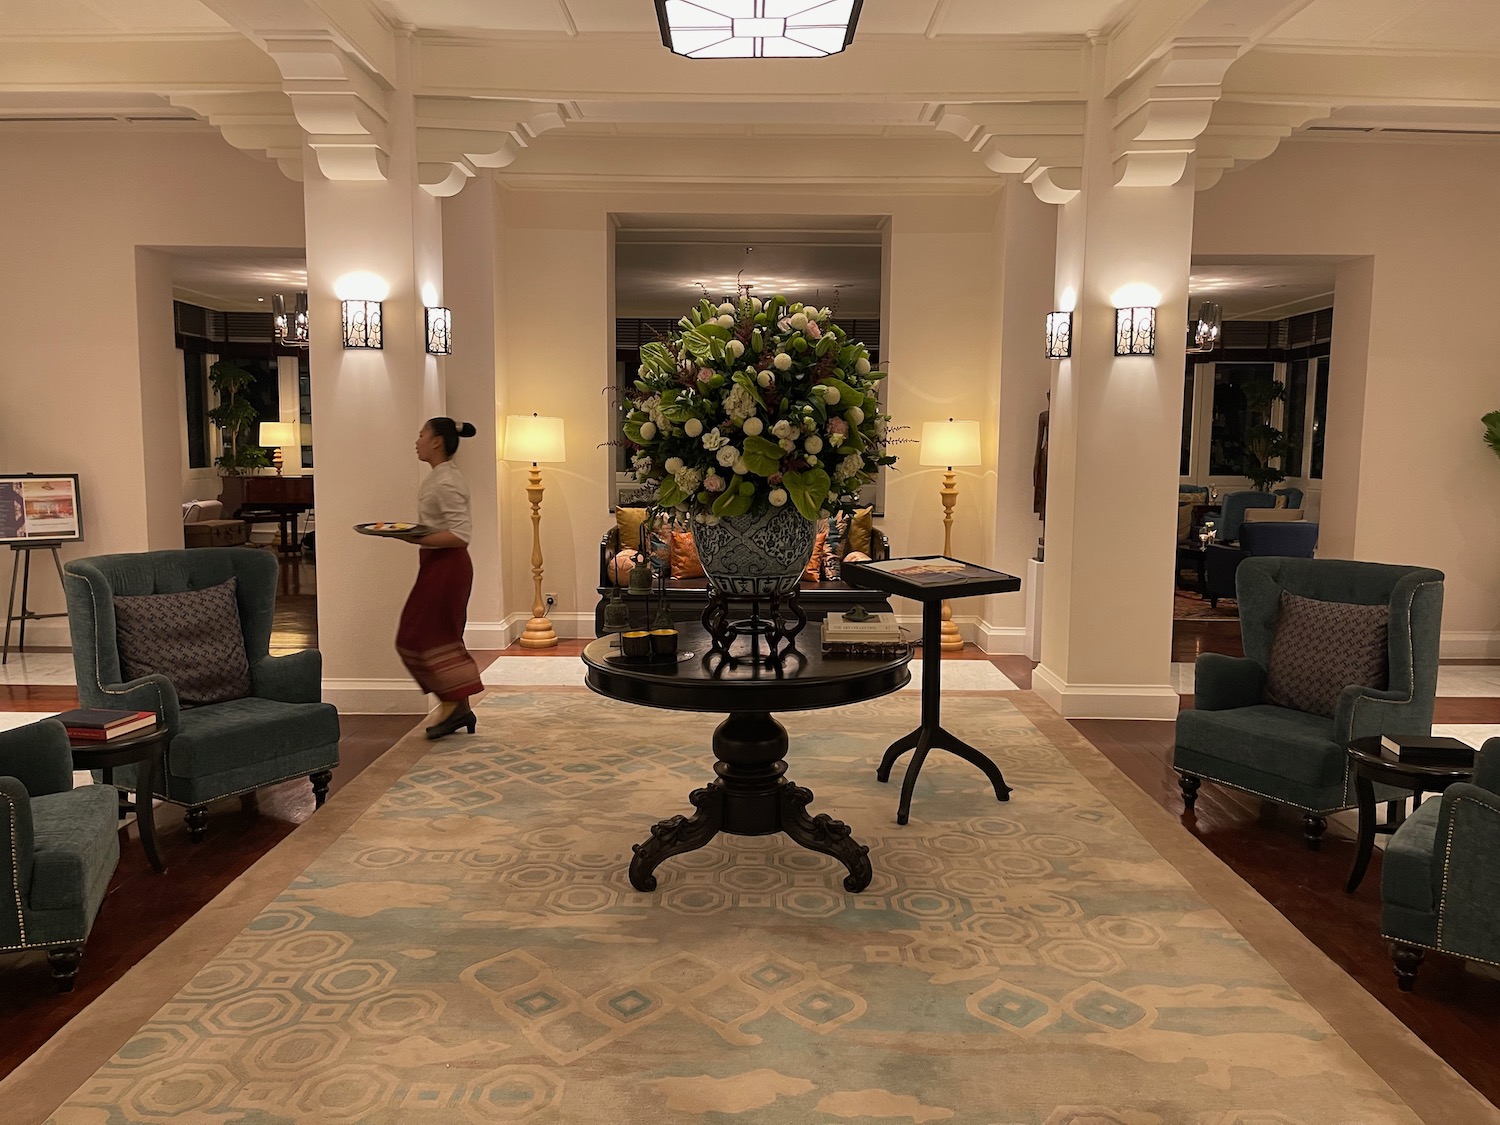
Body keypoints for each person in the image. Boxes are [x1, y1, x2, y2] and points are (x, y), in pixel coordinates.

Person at [396, 418, 484, 739]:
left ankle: (454, 703)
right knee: (426, 636)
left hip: (449, 567)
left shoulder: (446, 481)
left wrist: (413, 537)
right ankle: (457, 705)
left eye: (422, 435)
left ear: (437, 442)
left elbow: (460, 535)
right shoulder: (441, 477)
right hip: (436, 566)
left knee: (421, 636)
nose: (416, 440)